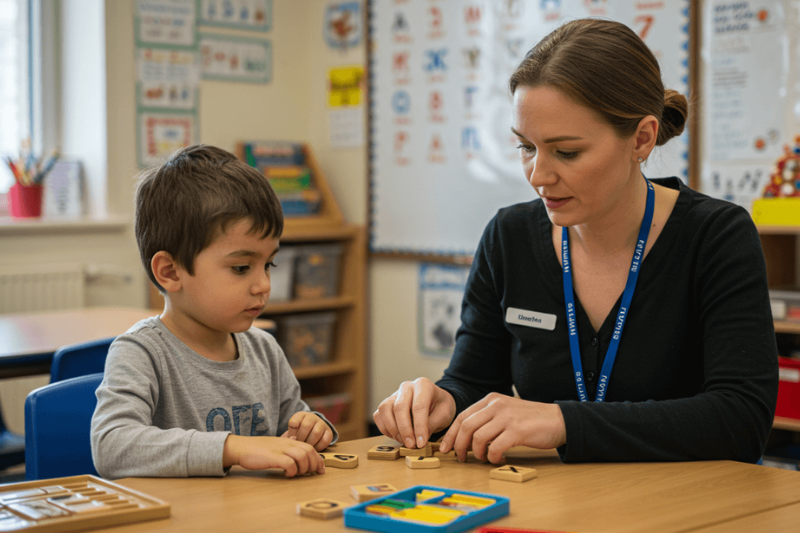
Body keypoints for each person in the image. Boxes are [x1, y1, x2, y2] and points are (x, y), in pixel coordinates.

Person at [374, 19, 778, 464]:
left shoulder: (716, 236)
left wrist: (563, 422)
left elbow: (741, 421)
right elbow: (473, 382)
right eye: (526, 147)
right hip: (554, 506)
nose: (538, 176)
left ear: (641, 139)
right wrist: (444, 403)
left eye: (566, 152)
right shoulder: (508, 237)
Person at [91, 144, 335, 479]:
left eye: (269, 264)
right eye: (240, 268)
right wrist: (232, 448)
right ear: (170, 272)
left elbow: (295, 423)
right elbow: (112, 446)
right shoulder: (142, 352)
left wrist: (314, 427)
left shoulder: (264, 349)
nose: (263, 284)